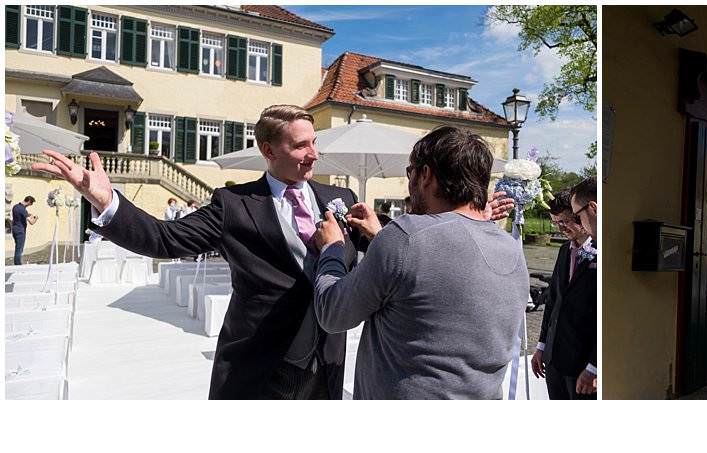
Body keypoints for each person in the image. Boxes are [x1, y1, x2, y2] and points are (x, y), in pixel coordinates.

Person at [33, 105, 513, 399]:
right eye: (301, 146)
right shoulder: (234, 204)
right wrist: (105, 200)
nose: (313, 154)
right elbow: (163, 239)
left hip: (328, 363)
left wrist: (463, 220)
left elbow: (392, 255)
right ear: (268, 149)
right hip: (263, 363)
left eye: (314, 144)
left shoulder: (339, 197)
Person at [310, 126, 524, 399]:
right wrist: (382, 237)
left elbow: (333, 313)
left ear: (426, 175)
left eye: (410, 171)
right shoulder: (511, 248)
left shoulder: (405, 236)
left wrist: (332, 248)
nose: (409, 179)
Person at [532, 190, 593, 399]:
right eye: (555, 223)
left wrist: (594, 367)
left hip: (582, 363)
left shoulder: (599, 251)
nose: (560, 228)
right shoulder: (564, 250)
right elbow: (553, 301)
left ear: (579, 217)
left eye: (564, 221)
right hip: (554, 360)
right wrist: (541, 346)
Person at [10, 196, 38, 265]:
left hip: (14, 230)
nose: (30, 205)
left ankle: (17, 263)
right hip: (20, 231)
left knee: (17, 247)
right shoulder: (23, 210)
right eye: (31, 204)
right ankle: (17, 264)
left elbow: (19, 216)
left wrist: (28, 214)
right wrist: (36, 218)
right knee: (19, 249)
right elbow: (31, 222)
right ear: (29, 202)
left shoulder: (15, 206)